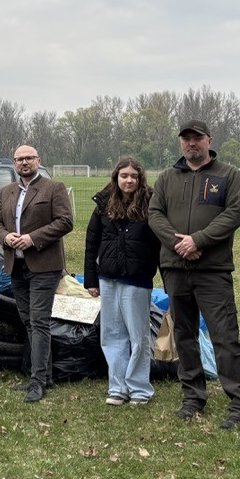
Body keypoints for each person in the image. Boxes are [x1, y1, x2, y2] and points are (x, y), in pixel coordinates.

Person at [148, 120, 240, 428]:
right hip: (175, 269)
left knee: (224, 336)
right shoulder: (167, 177)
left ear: (209, 140)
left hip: (212, 270)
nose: (191, 143)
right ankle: (193, 397)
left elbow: (233, 214)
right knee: (184, 335)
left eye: (197, 138)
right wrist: (178, 243)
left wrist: (199, 240)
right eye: (186, 138)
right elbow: (155, 214)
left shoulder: (228, 175)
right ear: (181, 142)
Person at [0, 144, 73, 402]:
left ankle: (37, 381)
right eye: (19, 159)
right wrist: (6, 237)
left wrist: (32, 238)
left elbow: (65, 222)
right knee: (28, 321)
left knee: (39, 321)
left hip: (44, 266)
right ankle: (44, 375)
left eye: (29, 158)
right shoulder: (6, 191)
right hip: (16, 266)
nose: (24, 163)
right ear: (14, 163)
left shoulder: (54, 188)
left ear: (38, 160)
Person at [85, 157, 161, 407]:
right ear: (116, 177)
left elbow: (159, 244)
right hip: (108, 278)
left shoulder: (151, 204)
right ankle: (117, 387)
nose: (129, 180)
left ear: (140, 179)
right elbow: (92, 241)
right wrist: (91, 279)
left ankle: (139, 388)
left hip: (137, 279)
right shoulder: (104, 203)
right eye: (124, 175)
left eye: (134, 176)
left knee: (138, 336)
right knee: (112, 334)